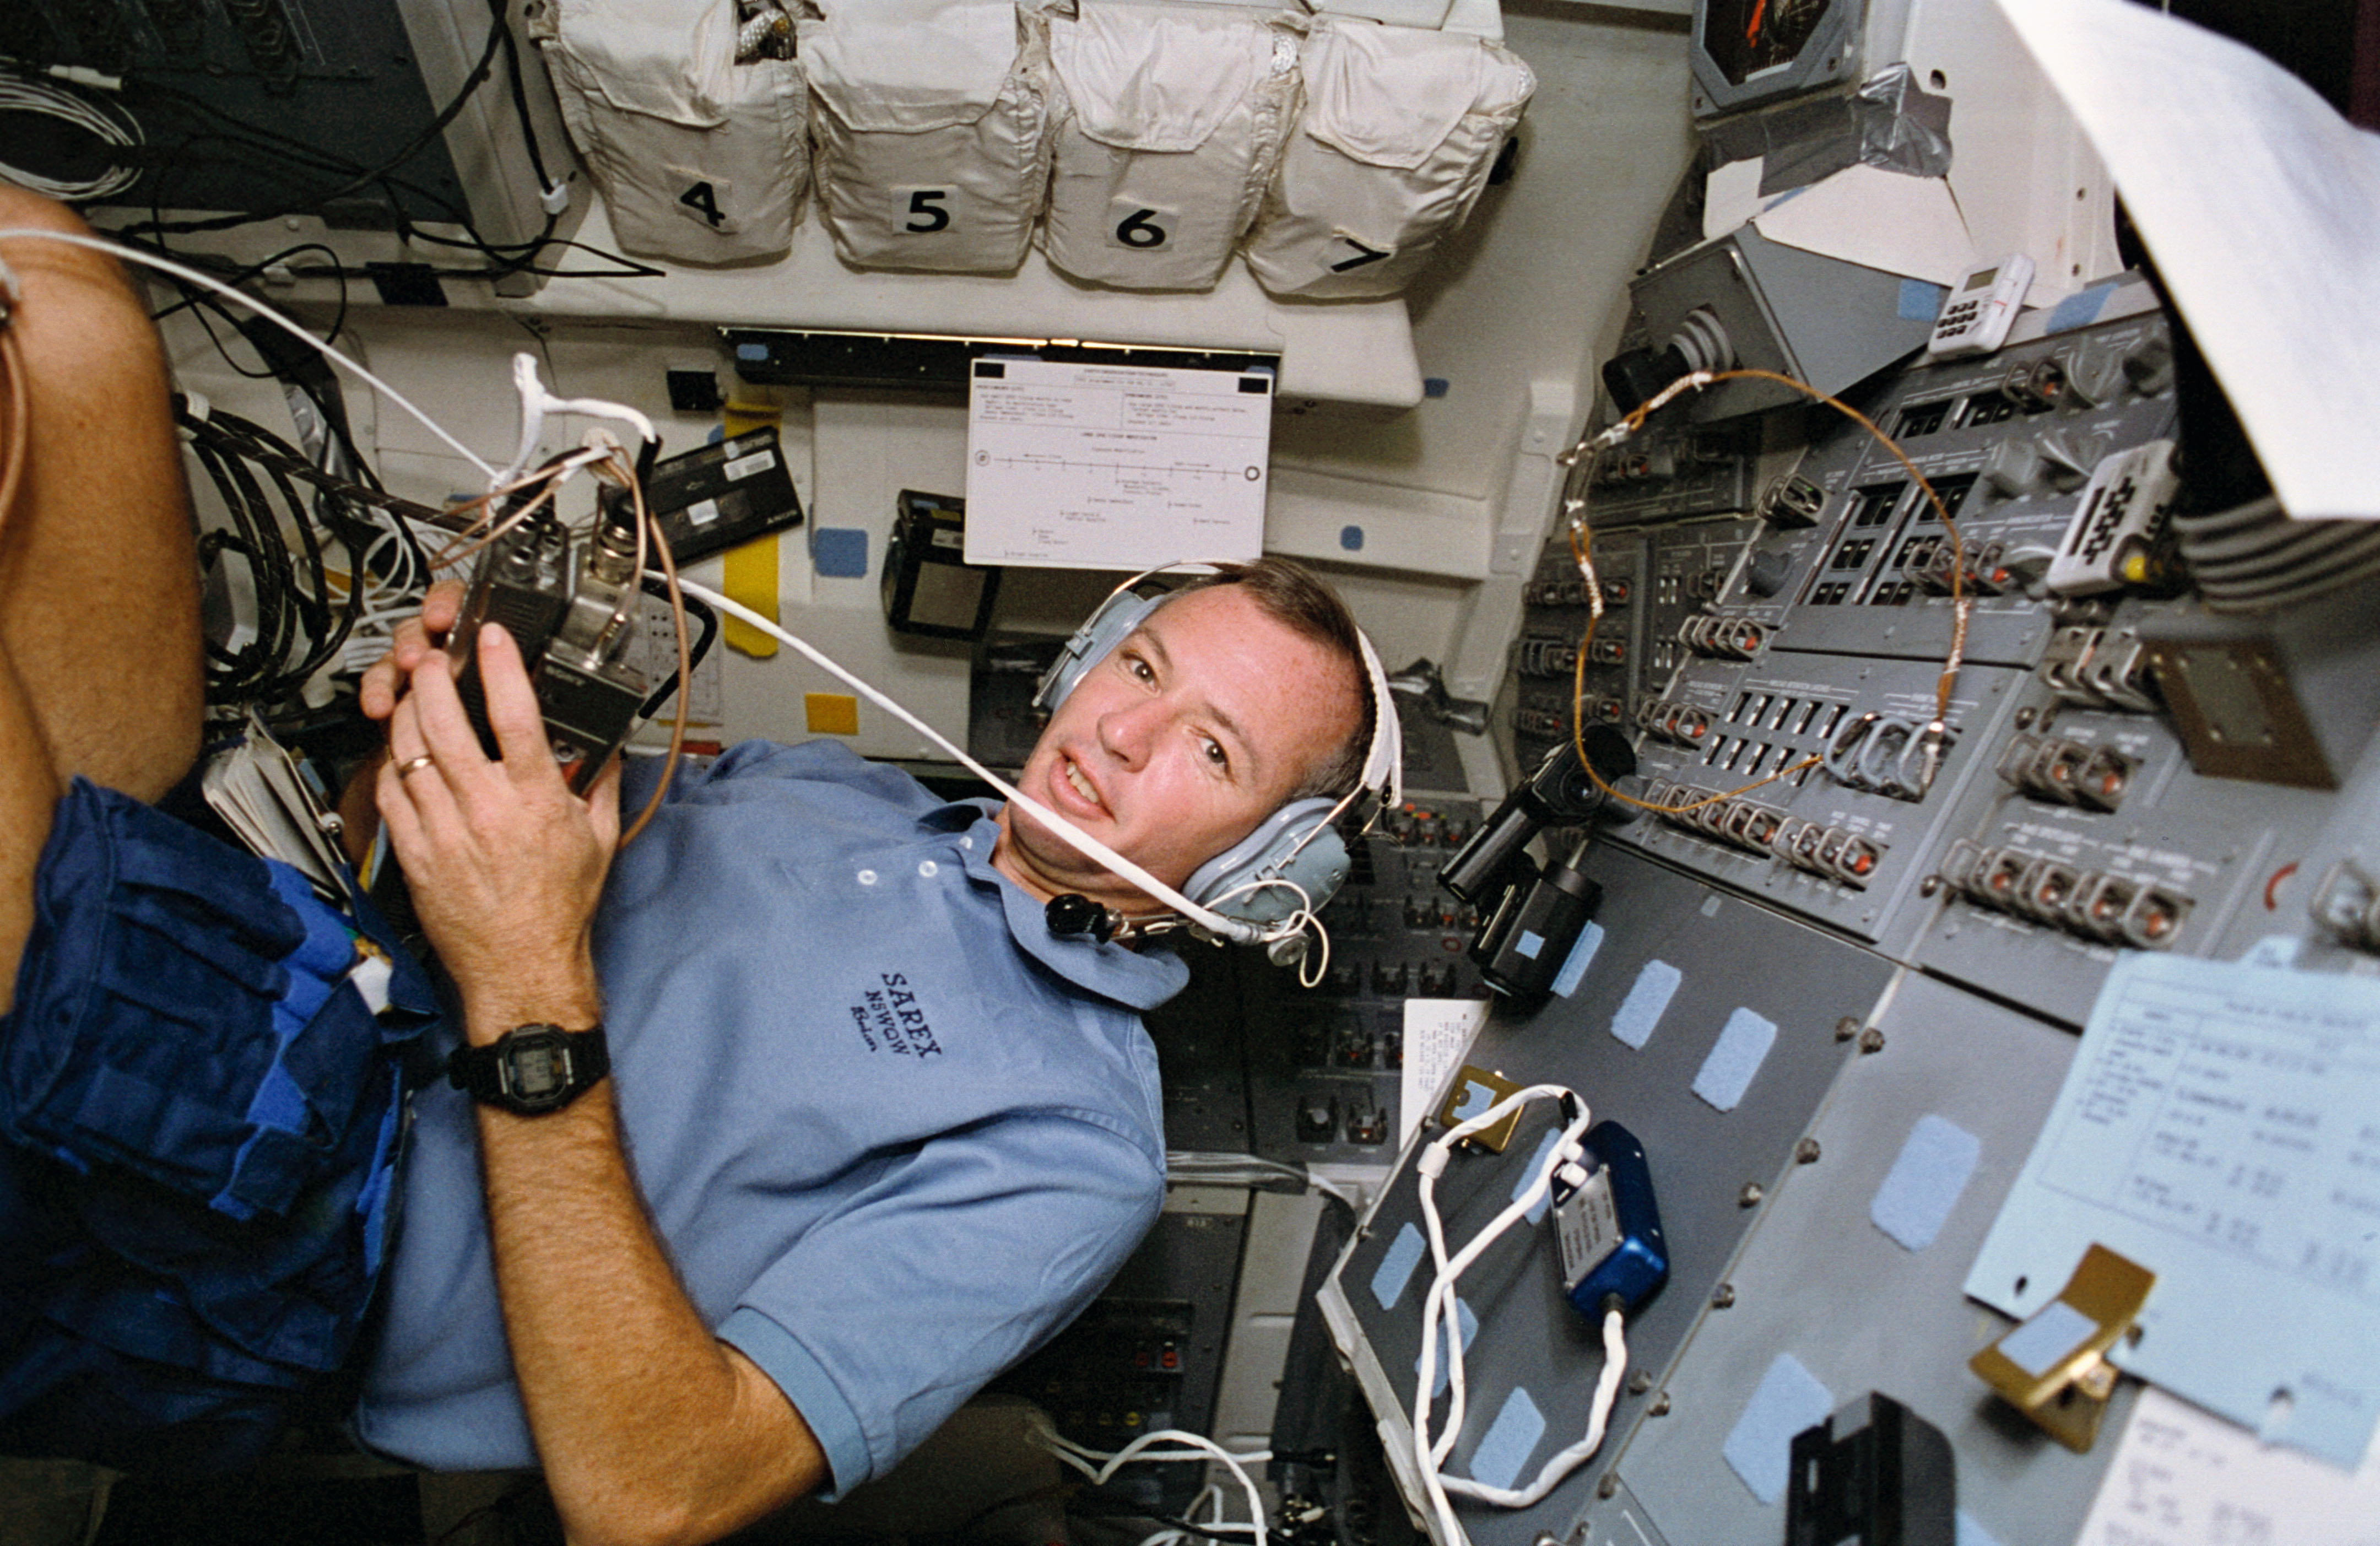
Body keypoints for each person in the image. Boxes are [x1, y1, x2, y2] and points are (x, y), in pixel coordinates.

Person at [0, 190, 1377, 1545]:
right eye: (1138, 664)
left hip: (302, 1237)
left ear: (1267, 873)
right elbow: (400, 848)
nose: (1122, 732)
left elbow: (658, 1495)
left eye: (1209, 752)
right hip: (307, 946)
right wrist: (438, 729)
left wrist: (527, 975)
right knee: (50, 272)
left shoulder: (1075, 1144)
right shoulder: (842, 792)